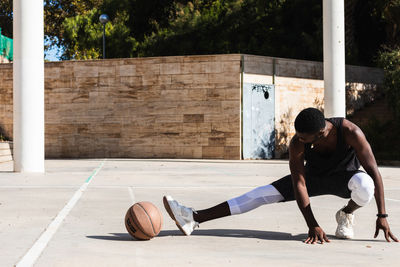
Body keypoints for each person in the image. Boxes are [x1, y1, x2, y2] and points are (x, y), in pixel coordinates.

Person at [163, 107, 398, 244]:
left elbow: (374, 172)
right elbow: (299, 182)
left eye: (304, 138)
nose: (297, 141)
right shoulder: (298, 142)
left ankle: (346, 214)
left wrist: (382, 215)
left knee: (366, 185)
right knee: (260, 194)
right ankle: (193, 217)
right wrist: (312, 224)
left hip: (344, 178)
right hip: (312, 178)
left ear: (320, 134)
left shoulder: (351, 132)